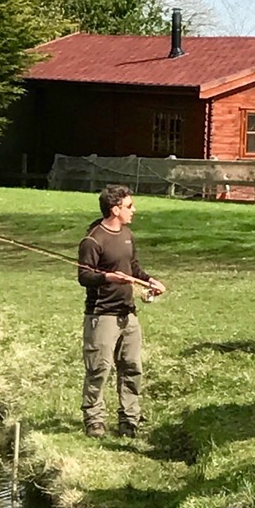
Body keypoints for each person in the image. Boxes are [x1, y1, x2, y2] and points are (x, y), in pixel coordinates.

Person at [77, 184, 166, 439]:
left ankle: (129, 419)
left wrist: (150, 281)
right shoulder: (93, 240)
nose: (133, 210)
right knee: (99, 369)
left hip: (128, 313)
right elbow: (84, 276)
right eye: (129, 206)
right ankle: (94, 420)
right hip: (102, 314)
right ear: (115, 209)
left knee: (132, 367)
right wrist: (108, 277)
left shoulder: (127, 234)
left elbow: (133, 267)